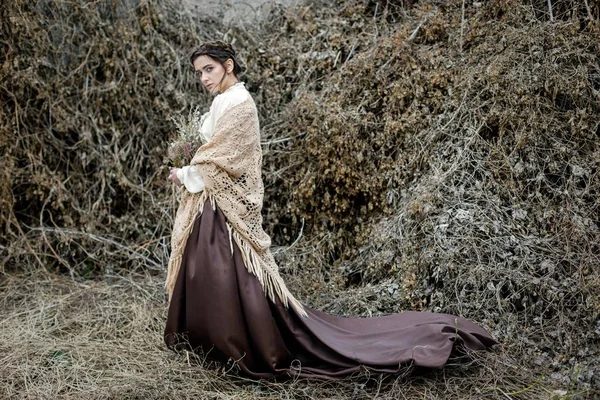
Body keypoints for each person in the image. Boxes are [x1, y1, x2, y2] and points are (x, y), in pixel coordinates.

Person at [165, 41, 496, 379]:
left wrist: (186, 173)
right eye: (199, 73)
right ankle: (215, 344)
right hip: (212, 203)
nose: (204, 77)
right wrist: (188, 158)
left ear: (229, 65)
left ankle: (238, 346)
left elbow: (226, 158)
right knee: (211, 274)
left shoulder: (239, 102)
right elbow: (211, 149)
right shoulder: (222, 100)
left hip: (225, 207)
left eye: (210, 69)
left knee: (229, 277)